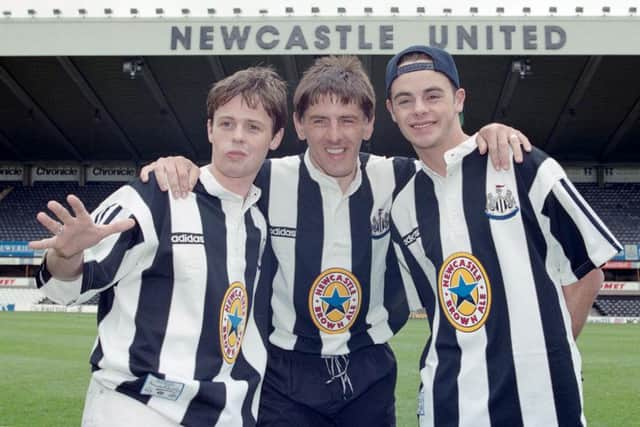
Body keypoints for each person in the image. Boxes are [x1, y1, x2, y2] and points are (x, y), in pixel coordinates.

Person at [141, 56, 532, 426]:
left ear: (369, 123)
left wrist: (491, 133)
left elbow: (452, 162)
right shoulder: (266, 179)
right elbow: (215, 177)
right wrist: (177, 165)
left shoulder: (400, 179)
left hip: (369, 371)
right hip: (285, 373)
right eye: (319, 120)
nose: (334, 136)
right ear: (298, 125)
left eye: (348, 120)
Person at [28, 66, 287, 426]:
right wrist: (66, 254)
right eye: (227, 124)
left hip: (226, 415)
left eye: (253, 127)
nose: (238, 137)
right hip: (137, 408)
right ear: (210, 129)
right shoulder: (155, 196)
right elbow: (64, 288)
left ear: (275, 138)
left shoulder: (260, 222)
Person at [386, 45, 622, 427]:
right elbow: (435, 309)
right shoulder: (404, 204)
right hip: (450, 403)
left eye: (433, 96)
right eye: (405, 100)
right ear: (391, 112)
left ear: (459, 99)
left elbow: (589, 272)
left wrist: (544, 356)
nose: (419, 110)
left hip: (541, 405)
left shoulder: (521, 162)